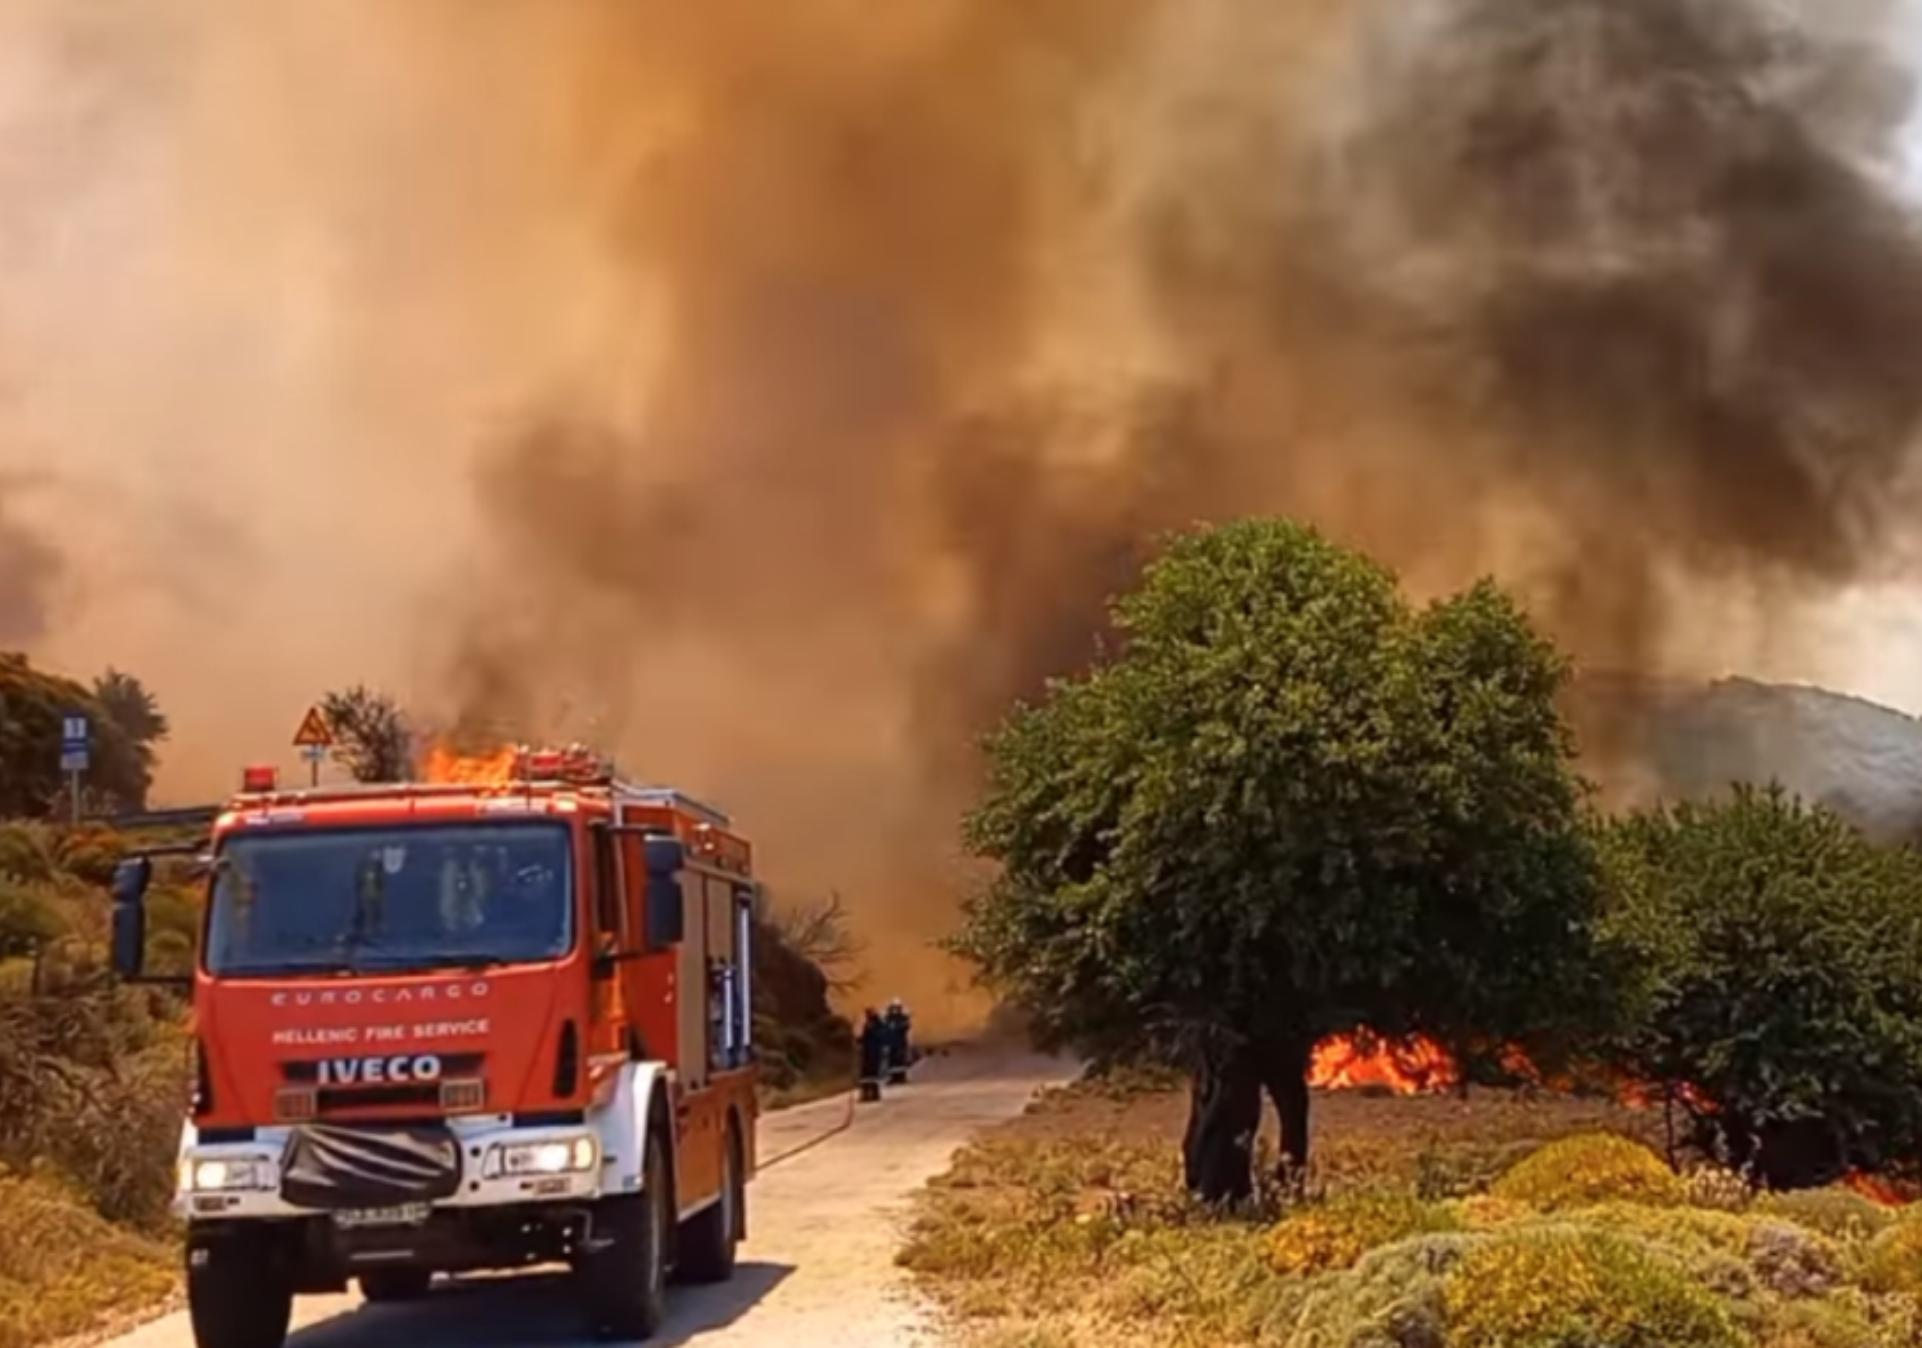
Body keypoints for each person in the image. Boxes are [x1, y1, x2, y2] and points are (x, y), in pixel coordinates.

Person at [858, 1008, 887, 1103]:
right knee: (865, 1074)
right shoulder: (866, 1024)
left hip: (875, 1052)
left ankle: (874, 1094)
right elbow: (862, 1038)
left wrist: (872, 1030)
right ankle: (865, 1093)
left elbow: (881, 1036)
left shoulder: (879, 1024)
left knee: (873, 1074)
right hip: (866, 1052)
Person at [883, 998, 913, 1085]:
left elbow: (907, 1027)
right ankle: (893, 1077)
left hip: (900, 1042)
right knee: (892, 1061)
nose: (895, 1009)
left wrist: (900, 1026)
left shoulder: (903, 1018)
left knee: (900, 1060)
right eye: (893, 1007)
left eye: (897, 1007)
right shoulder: (888, 1018)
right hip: (891, 1043)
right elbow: (884, 1028)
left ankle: (901, 1077)